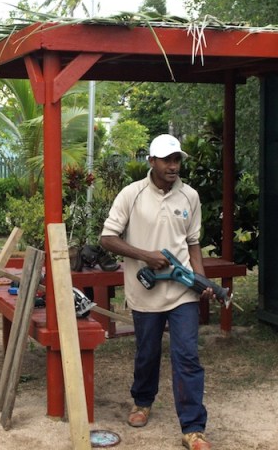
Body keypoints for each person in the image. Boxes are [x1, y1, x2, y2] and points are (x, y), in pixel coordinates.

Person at [100, 134, 214, 450]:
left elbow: (193, 244)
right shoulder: (131, 194)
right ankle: (142, 401)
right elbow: (107, 238)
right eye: (166, 160)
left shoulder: (190, 196)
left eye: (177, 159)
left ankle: (193, 427)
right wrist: (146, 255)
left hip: (182, 292)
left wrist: (201, 280)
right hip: (144, 288)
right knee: (147, 352)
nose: (173, 166)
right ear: (152, 161)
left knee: (187, 355)